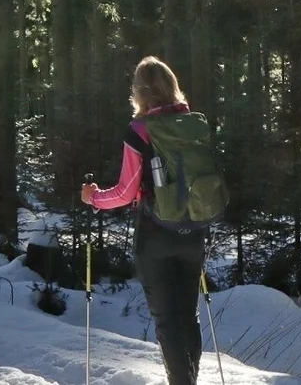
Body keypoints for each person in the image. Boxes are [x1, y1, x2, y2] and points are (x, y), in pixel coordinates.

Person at [79, 56, 209, 385]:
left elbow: (125, 192)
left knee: (167, 321)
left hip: (155, 235)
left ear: (139, 92)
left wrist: (92, 197)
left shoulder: (139, 131)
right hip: (193, 231)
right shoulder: (193, 123)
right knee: (188, 317)